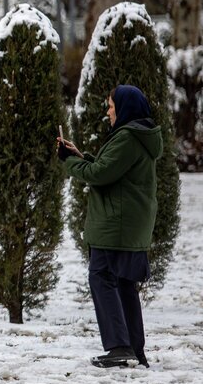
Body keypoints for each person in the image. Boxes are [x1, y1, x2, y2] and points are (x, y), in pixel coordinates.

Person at [58, 85, 159, 368]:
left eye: (112, 106)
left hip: (116, 225)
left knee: (101, 277)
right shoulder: (139, 136)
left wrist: (69, 163)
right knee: (125, 284)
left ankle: (118, 346)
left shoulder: (127, 138)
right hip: (128, 224)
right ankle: (134, 350)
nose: (108, 112)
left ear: (125, 108)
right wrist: (80, 156)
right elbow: (110, 169)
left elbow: (100, 174)